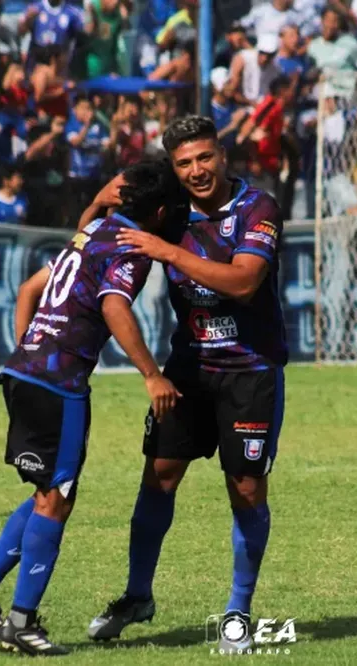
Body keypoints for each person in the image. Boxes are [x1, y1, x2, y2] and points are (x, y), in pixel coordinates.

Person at [0, 158, 186, 656]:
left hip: (24, 371)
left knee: (45, 491)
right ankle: (21, 622)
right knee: (57, 497)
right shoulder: (130, 248)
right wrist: (152, 373)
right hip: (58, 385)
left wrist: (30, 349)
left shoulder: (95, 232)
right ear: (162, 212)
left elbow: (28, 290)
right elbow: (114, 306)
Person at [85, 116, 287, 655]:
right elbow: (92, 243)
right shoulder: (165, 210)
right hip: (189, 369)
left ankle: (237, 614)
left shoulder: (257, 208)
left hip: (250, 371)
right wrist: (96, 203)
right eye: (183, 163)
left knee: (244, 488)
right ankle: (137, 595)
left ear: (221, 154)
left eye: (204, 158)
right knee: (159, 475)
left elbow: (244, 282)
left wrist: (166, 250)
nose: (196, 171)